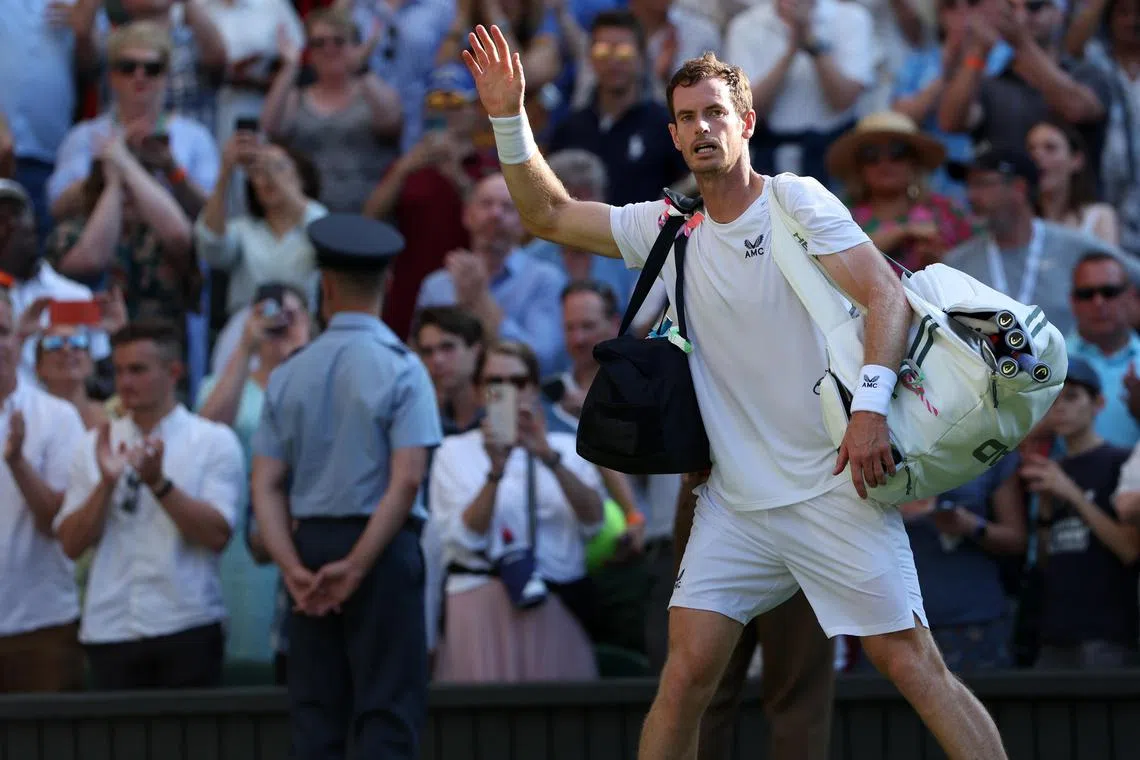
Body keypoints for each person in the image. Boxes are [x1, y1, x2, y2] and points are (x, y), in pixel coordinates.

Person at [461, 27, 1006, 760]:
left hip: (832, 487)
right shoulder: (670, 227)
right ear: (674, 135)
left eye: (715, 113)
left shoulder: (795, 199)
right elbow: (549, 215)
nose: (701, 129)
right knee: (684, 679)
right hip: (733, 506)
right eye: (686, 118)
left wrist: (871, 408)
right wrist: (508, 115)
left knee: (911, 665)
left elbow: (886, 294)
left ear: (745, 122)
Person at [251, 214, 442, 759]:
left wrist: (291, 568)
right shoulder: (403, 369)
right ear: (387, 284)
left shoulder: (289, 372)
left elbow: (264, 484)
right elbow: (407, 479)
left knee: (316, 717)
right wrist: (357, 565)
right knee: (387, 716)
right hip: (379, 553)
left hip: (309, 552)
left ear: (325, 286)